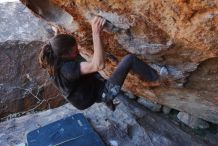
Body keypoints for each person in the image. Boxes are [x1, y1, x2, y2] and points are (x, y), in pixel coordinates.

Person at [38, 16, 168, 111]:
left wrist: (57, 33)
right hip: (93, 95)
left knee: (87, 68)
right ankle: (157, 78)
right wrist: (96, 32)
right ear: (63, 54)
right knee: (129, 60)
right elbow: (99, 65)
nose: (77, 51)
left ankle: (107, 101)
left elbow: (59, 44)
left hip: (82, 93)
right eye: (74, 50)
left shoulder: (53, 57)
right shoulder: (67, 70)